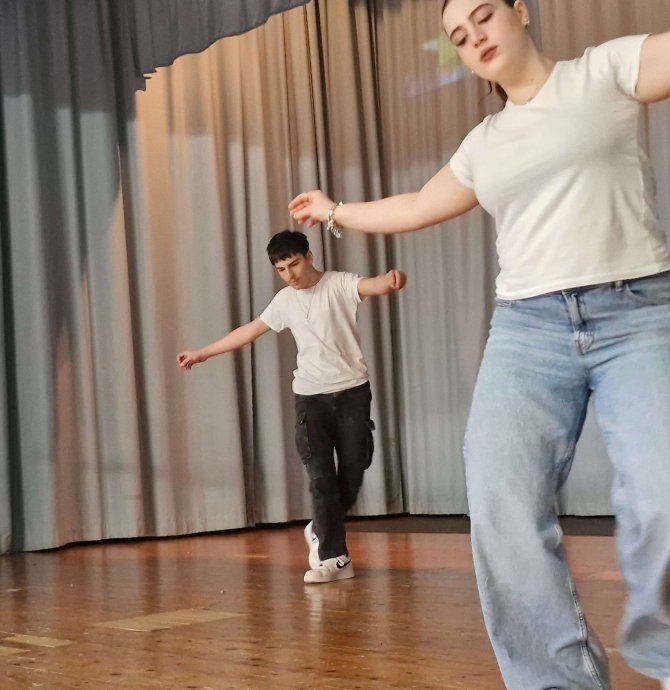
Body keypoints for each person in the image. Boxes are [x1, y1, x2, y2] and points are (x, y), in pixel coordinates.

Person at [289, 1, 670, 687]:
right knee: (501, 505)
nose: (476, 38)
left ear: (520, 11)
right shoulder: (483, 143)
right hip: (528, 329)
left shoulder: (603, 70)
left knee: (663, 490)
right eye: (459, 38)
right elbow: (414, 206)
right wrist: (333, 210)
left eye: (485, 16)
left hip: (636, 311)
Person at [177, 229, 407, 584]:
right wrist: (203, 353)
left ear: (310, 257)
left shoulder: (338, 284)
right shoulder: (284, 301)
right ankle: (334, 558)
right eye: (281, 269)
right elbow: (250, 330)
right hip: (310, 397)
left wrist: (389, 282)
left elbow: (369, 285)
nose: (290, 275)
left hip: (352, 393)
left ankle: (319, 527)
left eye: (294, 265)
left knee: (352, 474)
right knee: (321, 479)